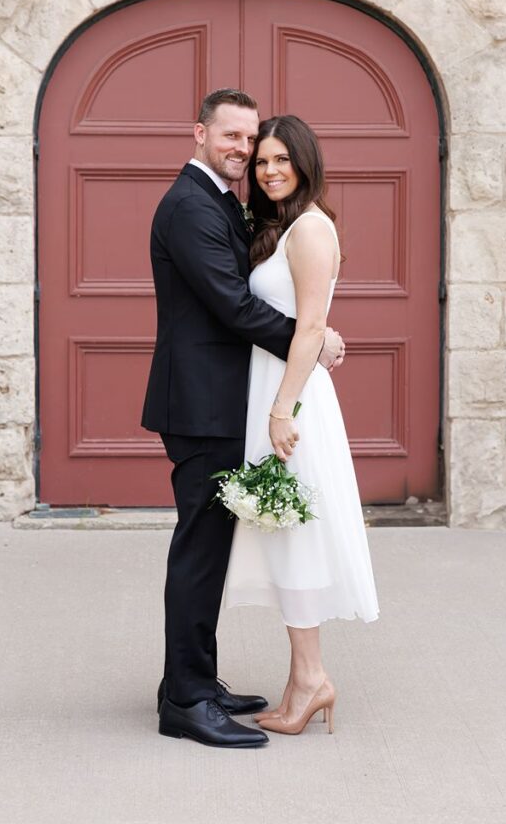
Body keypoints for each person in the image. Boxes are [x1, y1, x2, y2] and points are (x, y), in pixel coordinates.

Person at [142, 90, 345, 749]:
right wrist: (309, 340)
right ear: (199, 132)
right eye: (231, 136)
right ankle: (186, 701)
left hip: (219, 400)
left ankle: (194, 680)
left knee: (210, 552)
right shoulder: (190, 206)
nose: (243, 150)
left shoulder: (221, 202)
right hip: (201, 405)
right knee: (200, 553)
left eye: (249, 140)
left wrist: (310, 335)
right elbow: (232, 304)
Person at [224, 114, 380, 735]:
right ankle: (302, 680)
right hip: (277, 391)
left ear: (305, 162)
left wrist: (281, 408)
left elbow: (310, 326)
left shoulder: (311, 228)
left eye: (281, 159)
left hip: (292, 401)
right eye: (262, 161)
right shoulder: (284, 227)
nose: (269, 170)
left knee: (296, 533)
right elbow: (301, 319)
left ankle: (312, 679)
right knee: (285, 534)